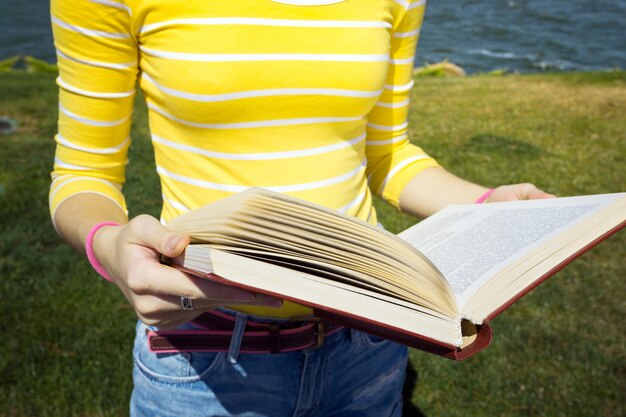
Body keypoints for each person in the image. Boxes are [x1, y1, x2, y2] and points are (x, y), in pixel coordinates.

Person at [49, 0, 554, 415]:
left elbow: (388, 153)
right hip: (205, 353)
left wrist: (489, 203)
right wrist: (111, 247)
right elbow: (83, 173)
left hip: (370, 340)